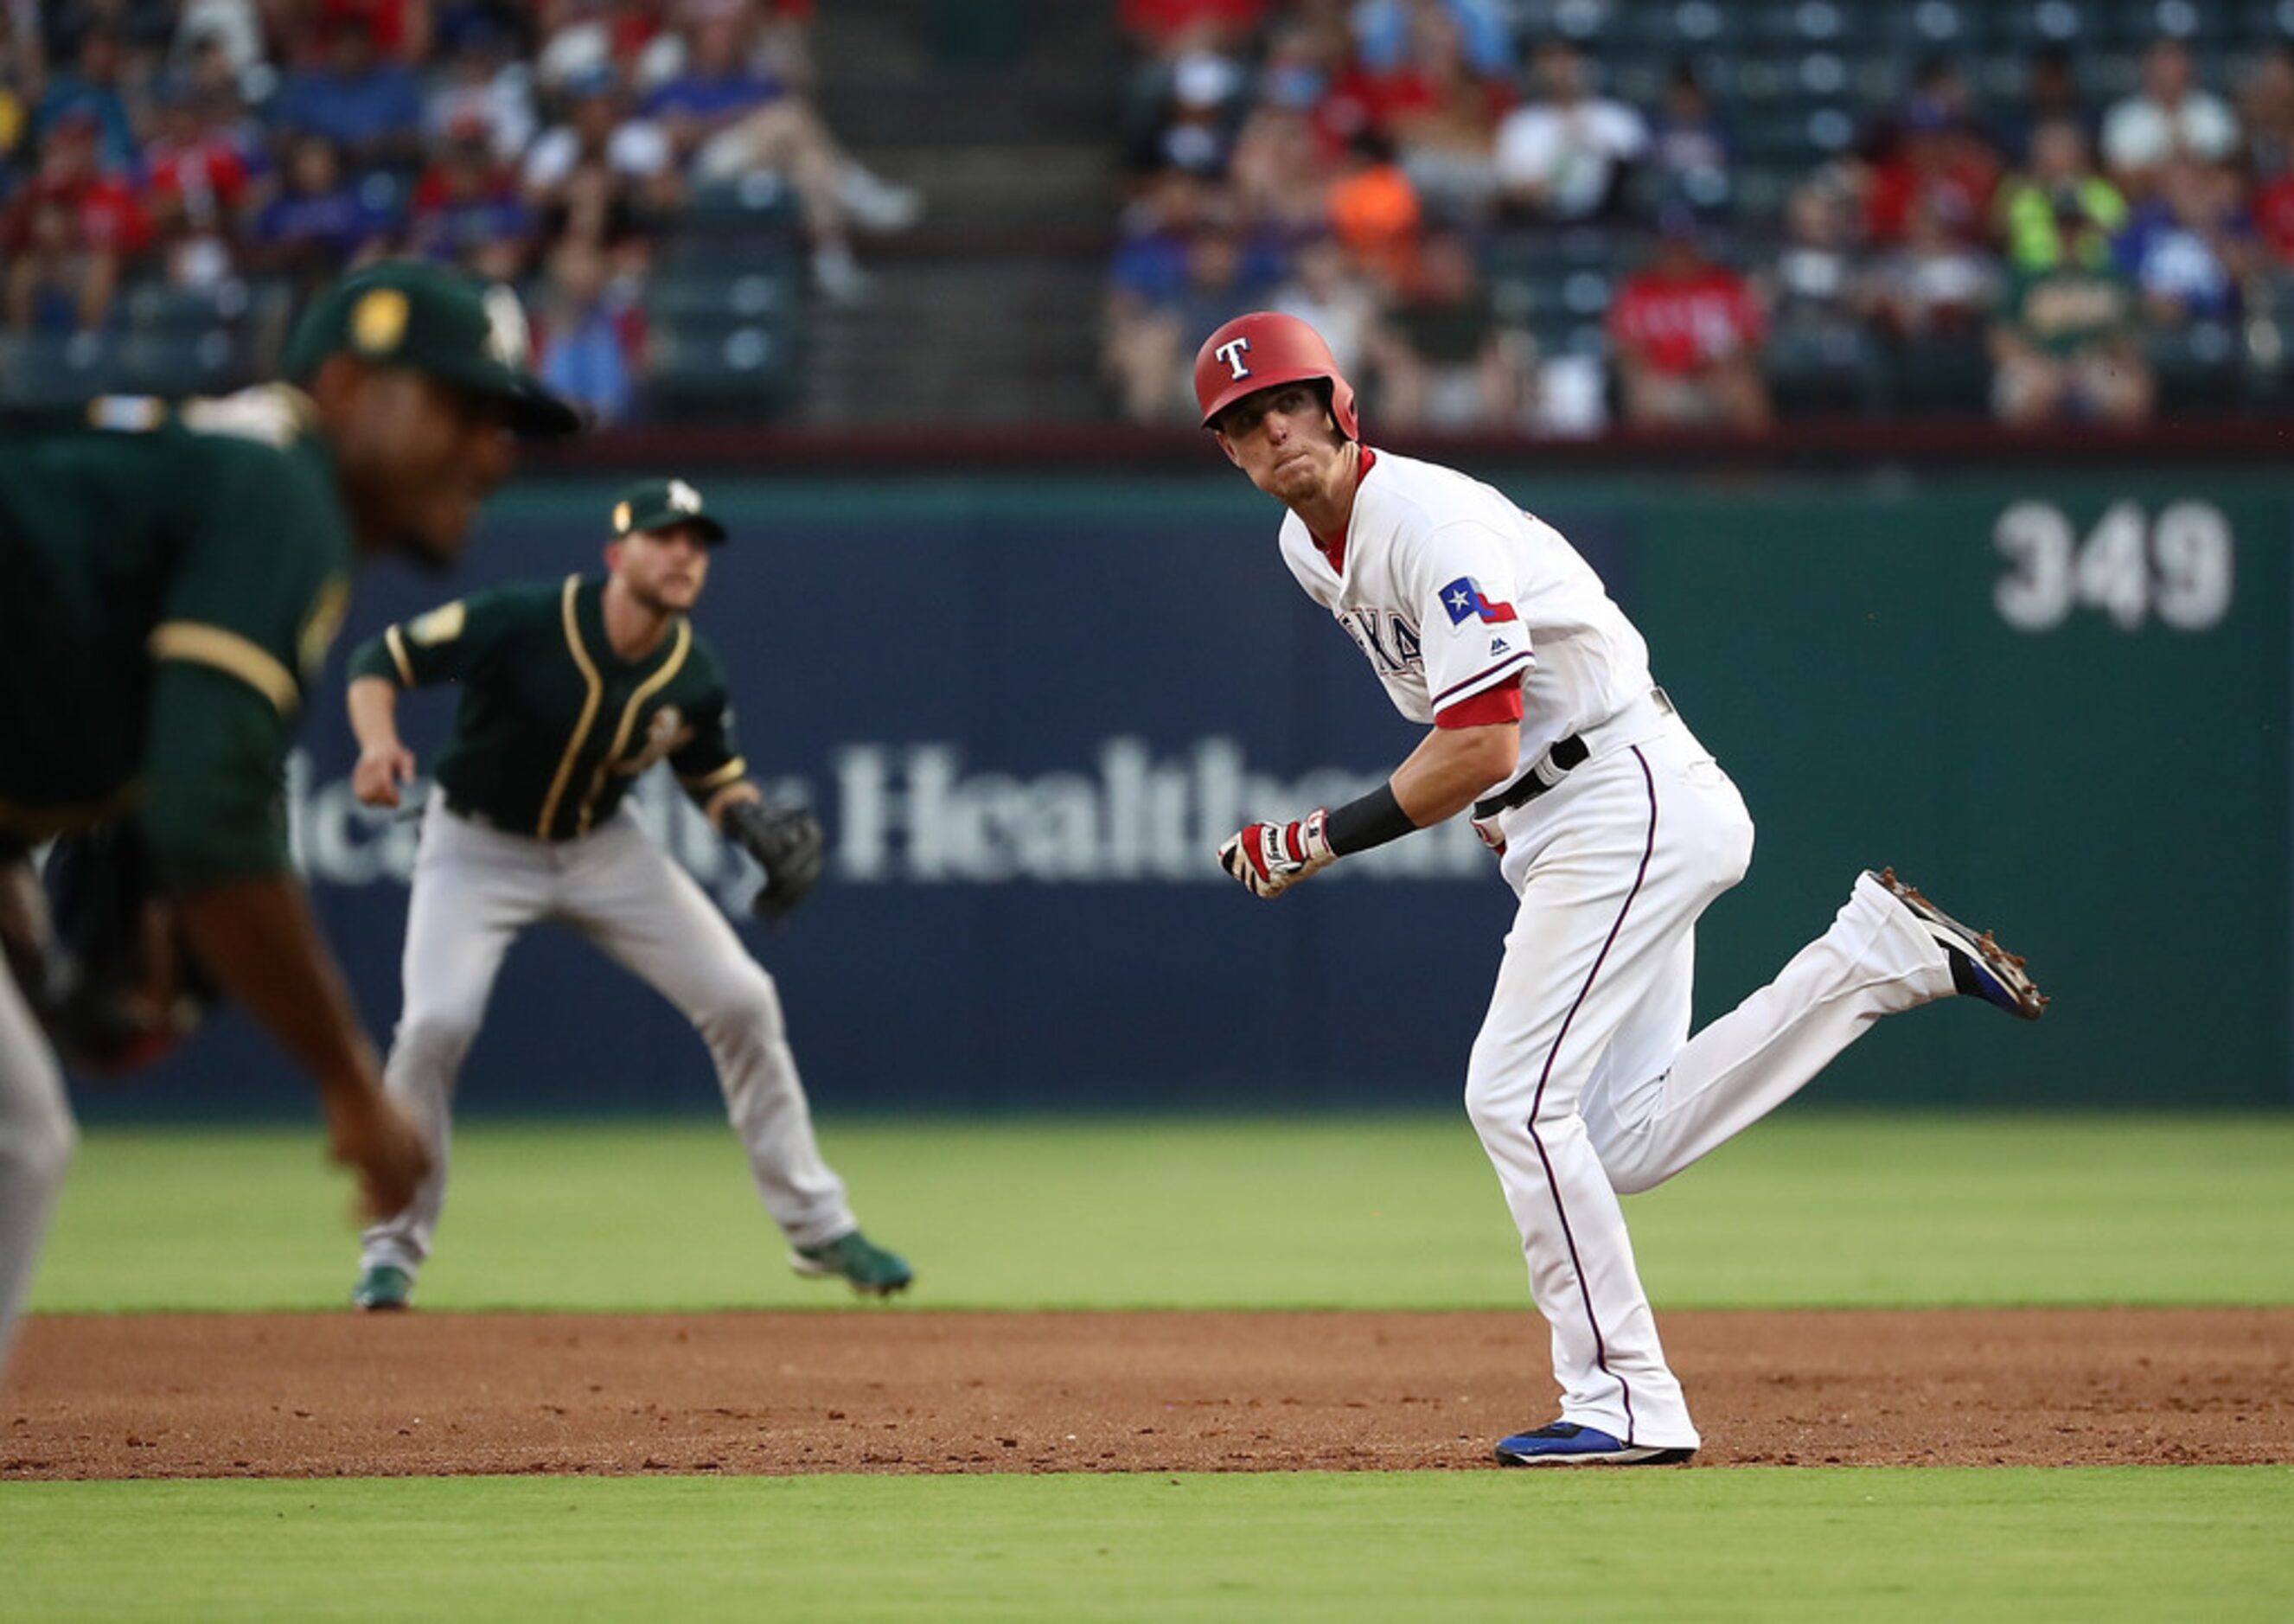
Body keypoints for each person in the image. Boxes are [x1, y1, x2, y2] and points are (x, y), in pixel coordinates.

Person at [1190, 310, 2045, 1466]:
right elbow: (1485, 734)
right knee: (1616, 1135)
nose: (1272, 426)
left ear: (1340, 406)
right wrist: (1498, 808)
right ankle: (1874, 956)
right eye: (1244, 420)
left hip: (1619, 794)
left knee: (1509, 1097)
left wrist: (1318, 837)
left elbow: (1484, 741)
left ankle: (1626, 1399)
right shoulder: (1308, 548)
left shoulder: (1426, 522)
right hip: (1571, 807)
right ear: (1230, 454)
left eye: (1288, 400)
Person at [0, 258, 584, 1376]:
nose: (491, 450)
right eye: (465, 407)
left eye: (505, 422)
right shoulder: (278, 488)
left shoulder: (212, 476)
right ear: (351, 384)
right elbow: (210, 816)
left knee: (18, 1136)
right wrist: (353, 1089)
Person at [340, 478, 911, 1310]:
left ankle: (818, 1227)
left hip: (603, 849)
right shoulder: (525, 619)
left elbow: (711, 776)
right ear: (617, 555)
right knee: (435, 1023)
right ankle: (389, 1252)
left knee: (743, 997)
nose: (684, 553)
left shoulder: (693, 671)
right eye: (664, 536)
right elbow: (378, 662)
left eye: (696, 542)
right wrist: (377, 744)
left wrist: (749, 822)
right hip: (477, 846)